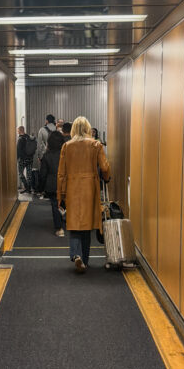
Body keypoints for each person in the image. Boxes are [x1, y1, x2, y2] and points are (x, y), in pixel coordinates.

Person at [57, 116, 110, 273]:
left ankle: (76, 255)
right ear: (88, 129)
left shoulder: (66, 146)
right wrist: (107, 178)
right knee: (87, 227)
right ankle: (85, 261)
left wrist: (60, 195)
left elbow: (61, 173)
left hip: (72, 188)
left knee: (74, 226)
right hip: (90, 189)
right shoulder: (95, 144)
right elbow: (105, 168)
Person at [38, 129, 66, 236]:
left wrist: (40, 188)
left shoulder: (47, 155)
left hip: (52, 184)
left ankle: (59, 229)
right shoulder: (67, 153)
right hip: (66, 183)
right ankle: (70, 222)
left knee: (55, 205)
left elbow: (43, 173)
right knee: (66, 203)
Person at [16, 126, 35, 193]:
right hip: (30, 159)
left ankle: (26, 187)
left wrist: (17, 159)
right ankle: (29, 188)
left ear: (20, 131)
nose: (17, 131)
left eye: (17, 130)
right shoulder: (29, 137)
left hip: (22, 160)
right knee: (29, 174)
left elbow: (18, 151)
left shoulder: (20, 139)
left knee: (20, 173)